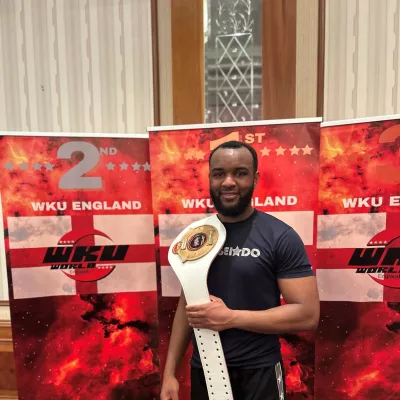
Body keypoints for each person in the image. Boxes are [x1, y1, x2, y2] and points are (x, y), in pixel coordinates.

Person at [160, 140, 320, 400]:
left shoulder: (280, 236)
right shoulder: (198, 236)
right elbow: (187, 305)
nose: (228, 182)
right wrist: (169, 373)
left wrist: (231, 318)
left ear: (255, 178)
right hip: (205, 371)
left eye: (240, 173)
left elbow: (307, 315)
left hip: (260, 372)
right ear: (210, 178)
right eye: (219, 173)